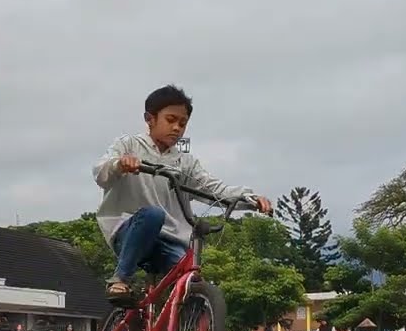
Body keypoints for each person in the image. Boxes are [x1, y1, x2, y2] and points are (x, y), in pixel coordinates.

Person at [93, 85, 272, 299]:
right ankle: (120, 279)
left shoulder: (184, 163)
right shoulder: (129, 145)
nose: (177, 128)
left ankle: (178, 317)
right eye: (170, 120)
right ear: (150, 119)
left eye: (183, 123)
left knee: (192, 279)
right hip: (129, 232)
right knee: (153, 215)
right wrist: (119, 164)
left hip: (170, 239)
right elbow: (100, 173)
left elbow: (215, 190)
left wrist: (250, 199)